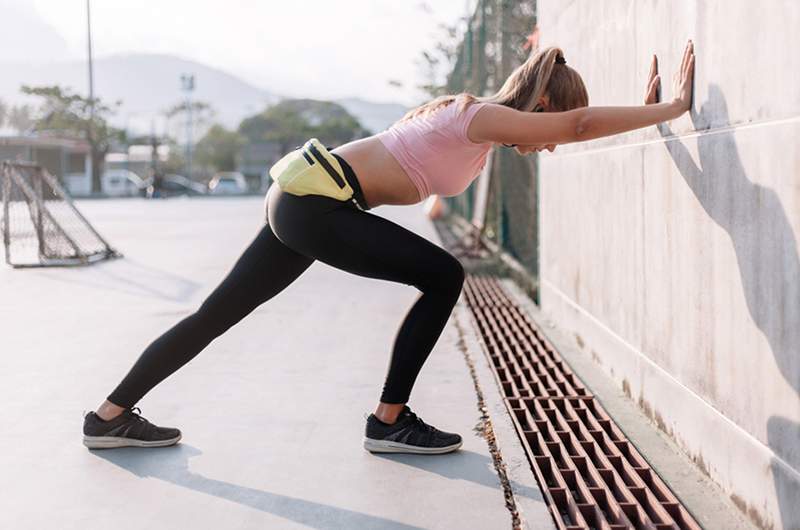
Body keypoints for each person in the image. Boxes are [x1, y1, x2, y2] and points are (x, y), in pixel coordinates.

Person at [82, 41, 695, 455]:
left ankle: (109, 418)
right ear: (540, 108)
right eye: (553, 125)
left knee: (216, 315)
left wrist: (641, 111)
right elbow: (579, 126)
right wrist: (668, 109)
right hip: (316, 200)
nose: (556, 142)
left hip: (305, 195)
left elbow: (567, 126)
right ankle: (390, 421)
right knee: (444, 275)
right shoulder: (479, 117)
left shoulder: (475, 128)